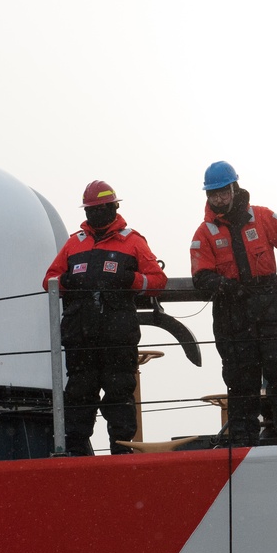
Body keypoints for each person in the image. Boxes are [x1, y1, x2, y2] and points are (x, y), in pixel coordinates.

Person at [190, 161, 277, 446]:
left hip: (270, 307)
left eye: (222, 192)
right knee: (241, 382)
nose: (218, 199)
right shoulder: (204, 233)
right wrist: (228, 288)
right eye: (212, 194)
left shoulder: (262, 217)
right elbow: (201, 276)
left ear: (234, 188)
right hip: (232, 314)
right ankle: (244, 446)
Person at [43, 180, 167, 456]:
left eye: (100, 208)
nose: (95, 214)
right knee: (79, 397)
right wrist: (69, 280)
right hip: (81, 338)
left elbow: (158, 281)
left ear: (113, 207)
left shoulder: (133, 241)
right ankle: (76, 454)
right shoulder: (74, 244)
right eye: (91, 209)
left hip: (117, 337)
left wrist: (129, 279)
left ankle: (122, 454)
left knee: (119, 395)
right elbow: (48, 281)